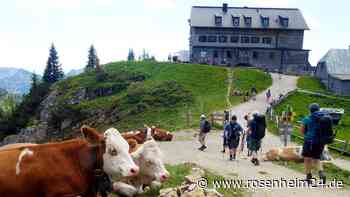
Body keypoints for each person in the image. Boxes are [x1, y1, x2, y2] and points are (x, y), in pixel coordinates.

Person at [300, 103, 326, 184]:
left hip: (309, 141)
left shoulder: (307, 119)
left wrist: (308, 134)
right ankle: (321, 173)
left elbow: (302, 131)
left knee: (307, 159)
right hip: (320, 142)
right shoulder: (323, 119)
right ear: (318, 110)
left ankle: (308, 178)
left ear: (310, 110)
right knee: (316, 159)